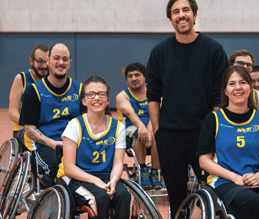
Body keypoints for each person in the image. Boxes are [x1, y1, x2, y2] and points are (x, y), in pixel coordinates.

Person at [146, 0, 228, 217]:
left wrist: (212, 131)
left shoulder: (214, 49)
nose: (181, 15)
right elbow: (152, 94)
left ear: (194, 15)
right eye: (175, 12)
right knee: (177, 199)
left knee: (212, 193)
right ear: (170, 19)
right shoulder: (159, 53)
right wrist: (157, 130)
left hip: (204, 134)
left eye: (185, 10)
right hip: (169, 135)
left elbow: (219, 96)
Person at [197, 65, 259, 219]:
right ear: (225, 91)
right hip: (224, 181)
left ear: (250, 88)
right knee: (248, 200)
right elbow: (204, 161)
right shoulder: (214, 119)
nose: (237, 87)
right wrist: (234, 177)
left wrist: (258, 176)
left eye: (243, 82)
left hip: (257, 179)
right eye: (232, 84)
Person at [61, 76, 130, 218]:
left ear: (108, 100)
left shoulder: (118, 127)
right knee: (100, 198)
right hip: (81, 180)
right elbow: (69, 167)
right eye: (91, 94)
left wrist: (114, 181)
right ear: (84, 101)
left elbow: (118, 163)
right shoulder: (75, 125)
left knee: (124, 195)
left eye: (101, 94)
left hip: (108, 178)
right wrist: (95, 180)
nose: (97, 98)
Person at [19, 43, 83, 187]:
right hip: (45, 143)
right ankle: (50, 201)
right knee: (55, 166)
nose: (61, 62)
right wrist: (53, 144)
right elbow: (29, 128)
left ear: (70, 63)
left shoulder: (79, 89)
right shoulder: (34, 91)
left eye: (65, 59)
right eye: (56, 58)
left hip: (73, 141)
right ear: (48, 61)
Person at [116, 62, 161, 190]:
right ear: (126, 80)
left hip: (151, 127)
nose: (134, 78)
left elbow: (155, 116)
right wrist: (142, 128)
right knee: (137, 132)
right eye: (130, 76)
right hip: (131, 130)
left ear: (144, 77)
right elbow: (130, 114)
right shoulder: (122, 96)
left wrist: (149, 132)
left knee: (159, 133)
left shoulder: (154, 94)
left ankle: (154, 172)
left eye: (137, 75)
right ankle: (143, 171)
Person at [8, 45, 49, 139]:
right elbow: (12, 113)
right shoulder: (21, 79)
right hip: (23, 130)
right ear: (31, 61)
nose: (43, 66)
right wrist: (32, 126)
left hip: (47, 129)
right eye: (39, 61)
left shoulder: (53, 80)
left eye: (46, 61)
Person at [228, 49, 259, 114]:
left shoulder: (256, 95)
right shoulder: (220, 88)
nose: (245, 66)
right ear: (231, 65)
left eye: (248, 64)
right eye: (240, 63)